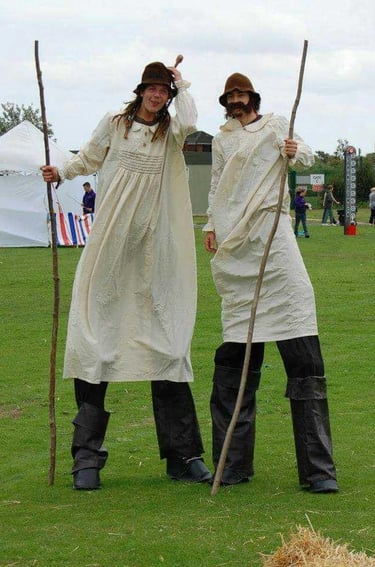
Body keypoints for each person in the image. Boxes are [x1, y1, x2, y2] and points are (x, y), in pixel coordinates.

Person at [42, 60, 212, 490]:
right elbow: (87, 157)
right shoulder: (115, 124)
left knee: (170, 348)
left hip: (155, 253)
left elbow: (191, 119)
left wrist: (181, 83)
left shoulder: (169, 132)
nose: (157, 96)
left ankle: (183, 455)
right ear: (140, 91)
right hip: (110, 248)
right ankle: (86, 460)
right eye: (152, 88)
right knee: (95, 345)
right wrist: (60, 172)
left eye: (163, 91)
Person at [203, 72, 338, 493]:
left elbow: (307, 157)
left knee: (303, 354)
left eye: (241, 95)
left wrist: (294, 151)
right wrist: (211, 223)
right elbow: (216, 186)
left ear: (253, 98)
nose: (236, 102)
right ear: (226, 102)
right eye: (231, 97)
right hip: (237, 243)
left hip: (274, 239)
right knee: (235, 359)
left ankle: (318, 472)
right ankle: (233, 465)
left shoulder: (276, 124)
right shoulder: (221, 139)